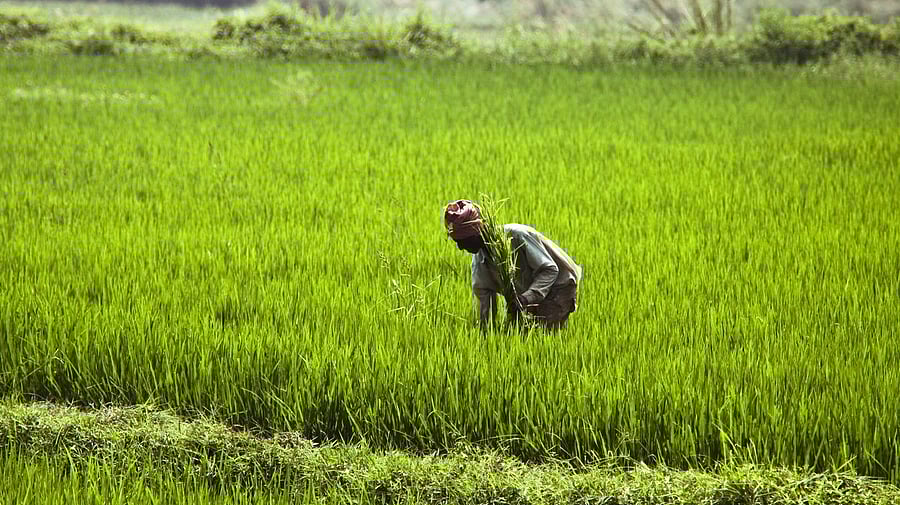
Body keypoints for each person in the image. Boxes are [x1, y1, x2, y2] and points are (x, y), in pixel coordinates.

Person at [443, 199, 583, 330]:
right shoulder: (480, 261)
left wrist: (526, 298)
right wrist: (485, 333)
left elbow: (549, 269)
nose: (461, 247)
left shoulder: (516, 236)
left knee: (543, 336)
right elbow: (484, 298)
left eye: (463, 241)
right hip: (527, 294)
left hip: (559, 286)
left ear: (476, 232)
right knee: (518, 335)